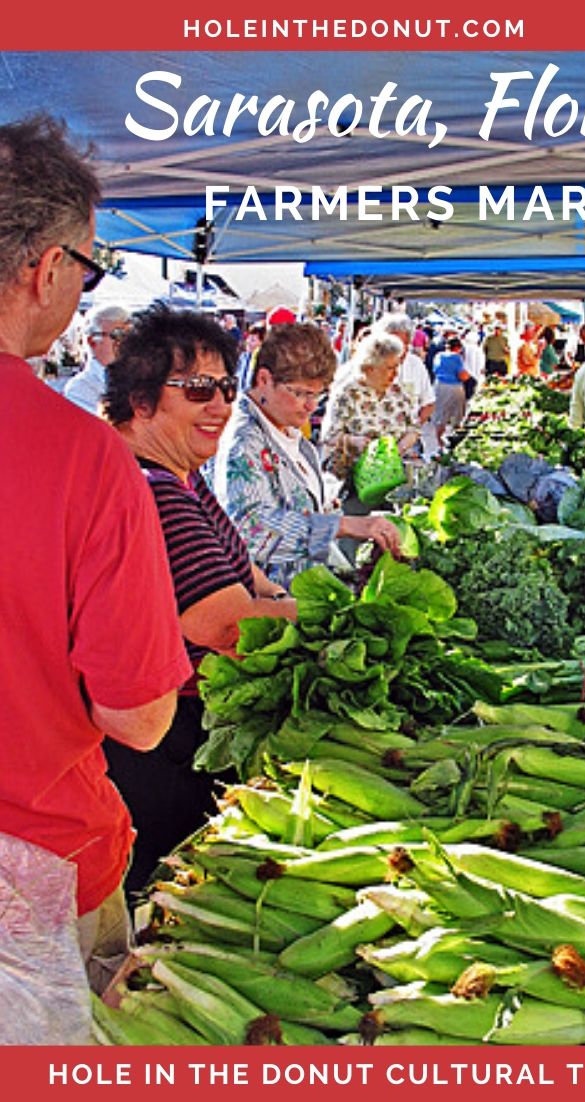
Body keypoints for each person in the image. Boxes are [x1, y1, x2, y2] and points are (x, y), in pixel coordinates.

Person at [0, 115, 191, 1033]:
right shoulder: (84, 457)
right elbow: (141, 718)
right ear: (44, 267)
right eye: (88, 267)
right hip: (33, 872)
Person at [102, 305, 297, 899]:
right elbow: (225, 624)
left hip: (151, 733)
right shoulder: (156, 492)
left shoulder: (177, 476)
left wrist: (276, 593)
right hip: (157, 741)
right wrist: (336, 615)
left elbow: (245, 573)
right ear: (141, 400)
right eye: (196, 390)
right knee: (162, 893)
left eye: (225, 388)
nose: (219, 405)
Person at [211, 322, 401, 590]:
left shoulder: (285, 426)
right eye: (301, 393)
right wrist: (342, 525)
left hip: (302, 594)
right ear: (264, 380)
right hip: (267, 606)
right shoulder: (242, 439)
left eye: (318, 394)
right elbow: (249, 530)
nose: (311, 405)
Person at [321, 331, 421, 482]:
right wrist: (353, 441)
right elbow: (328, 436)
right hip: (351, 480)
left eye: (396, 367)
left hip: (390, 477)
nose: (395, 374)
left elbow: (413, 429)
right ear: (369, 368)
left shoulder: (397, 392)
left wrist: (397, 450)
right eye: (389, 368)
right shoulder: (347, 394)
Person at [375, 312, 436, 454]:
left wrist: (413, 430)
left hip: (408, 445)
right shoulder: (368, 364)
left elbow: (429, 403)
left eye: (402, 344)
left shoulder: (415, 365)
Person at [64, 303, 130, 414]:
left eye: (130, 335)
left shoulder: (142, 379)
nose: (125, 342)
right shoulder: (79, 388)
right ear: (93, 341)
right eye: (118, 335)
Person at [432, 335, 471, 445]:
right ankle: (455, 438)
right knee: (457, 413)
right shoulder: (456, 357)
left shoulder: (438, 356)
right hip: (454, 387)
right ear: (458, 347)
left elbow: (435, 370)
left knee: (440, 413)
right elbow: (462, 375)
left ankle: (439, 440)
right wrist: (468, 377)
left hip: (439, 385)